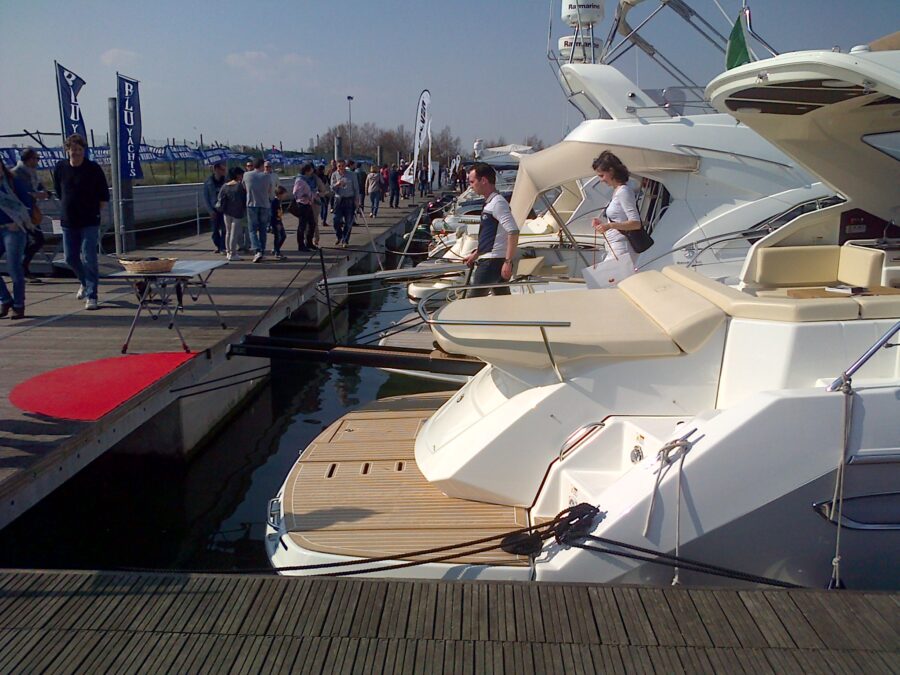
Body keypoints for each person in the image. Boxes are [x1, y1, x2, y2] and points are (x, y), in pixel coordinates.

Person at [52, 133, 109, 310]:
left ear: (84, 151)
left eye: (79, 149)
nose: (76, 152)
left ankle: (92, 295)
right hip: (69, 220)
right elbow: (58, 191)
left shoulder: (93, 168)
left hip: (89, 220)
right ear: (67, 151)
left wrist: (95, 212)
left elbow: (103, 195)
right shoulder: (60, 167)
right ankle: (84, 282)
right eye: (73, 149)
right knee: (70, 258)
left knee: (89, 256)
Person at [463, 162, 519, 298]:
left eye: (472, 182)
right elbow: (489, 236)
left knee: (472, 302)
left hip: (491, 263)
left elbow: (513, 231)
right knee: (502, 302)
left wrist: (508, 262)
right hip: (492, 260)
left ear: (483, 180)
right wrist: (476, 254)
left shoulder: (498, 203)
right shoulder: (491, 203)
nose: (470, 186)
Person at [591, 151, 641, 272]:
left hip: (622, 249)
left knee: (602, 279)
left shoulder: (624, 191)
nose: (601, 180)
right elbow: (621, 219)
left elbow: (636, 223)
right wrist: (604, 224)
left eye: (602, 175)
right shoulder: (618, 191)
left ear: (611, 171)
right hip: (615, 247)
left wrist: (609, 226)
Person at [0, 159, 33, 319]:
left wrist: (18, 221)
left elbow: (28, 204)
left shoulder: (13, 182)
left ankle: (19, 305)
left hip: (13, 229)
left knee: (13, 268)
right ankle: (5, 299)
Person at [12, 148, 49, 282]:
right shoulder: (16, 174)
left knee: (34, 240)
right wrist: (35, 195)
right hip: (18, 214)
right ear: (28, 159)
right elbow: (18, 193)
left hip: (30, 212)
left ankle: (22, 267)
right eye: (36, 159)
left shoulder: (32, 173)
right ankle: (21, 267)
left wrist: (45, 192)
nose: (37, 161)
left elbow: (38, 187)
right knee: (34, 239)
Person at [243, 157, 274, 262]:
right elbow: (270, 190)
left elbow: (244, 187)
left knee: (252, 230)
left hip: (251, 204)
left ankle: (257, 250)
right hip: (264, 204)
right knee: (262, 230)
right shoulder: (267, 176)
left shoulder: (246, 175)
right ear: (261, 165)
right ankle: (262, 250)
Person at [217, 166, 247, 261]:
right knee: (234, 233)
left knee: (228, 232)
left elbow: (219, 198)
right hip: (237, 213)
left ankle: (228, 252)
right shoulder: (239, 186)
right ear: (238, 175)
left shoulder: (225, 186)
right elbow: (244, 199)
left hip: (226, 212)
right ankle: (233, 254)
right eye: (241, 174)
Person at [329, 159, 360, 247]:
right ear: (337, 166)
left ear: (345, 166)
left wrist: (357, 200)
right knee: (336, 220)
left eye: (342, 166)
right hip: (338, 200)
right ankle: (339, 236)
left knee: (348, 221)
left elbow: (356, 188)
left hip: (349, 199)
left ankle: (345, 240)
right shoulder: (334, 174)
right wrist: (337, 184)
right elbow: (331, 188)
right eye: (339, 166)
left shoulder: (352, 175)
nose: (341, 168)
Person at [202, 161, 227, 254]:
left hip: (224, 208)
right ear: (216, 169)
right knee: (214, 230)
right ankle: (218, 245)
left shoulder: (226, 181)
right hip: (214, 209)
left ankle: (223, 247)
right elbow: (206, 197)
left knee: (225, 229)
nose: (224, 171)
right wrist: (210, 210)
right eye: (222, 169)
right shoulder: (208, 182)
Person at [292, 163, 317, 251]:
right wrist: (304, 196)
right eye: (311, 169)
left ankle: (309, 243)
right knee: (302, 226)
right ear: (307, 171)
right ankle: (301, 245)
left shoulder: (306, 179)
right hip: (302, 204)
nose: (312, 171)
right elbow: (295, 192)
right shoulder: (300, 180)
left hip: (308, 204)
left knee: (312, 224)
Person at [271, 185, 288, 260]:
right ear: (279, 194)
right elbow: (273, 214)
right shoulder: (274, 202)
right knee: (278, 237)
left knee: (282, 236)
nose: (285, 196)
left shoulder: (279, 201)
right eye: (284, 194)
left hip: (279, 221)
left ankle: (276, 249)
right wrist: (276, 222)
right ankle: (277, 251)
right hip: (276, 222)